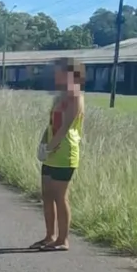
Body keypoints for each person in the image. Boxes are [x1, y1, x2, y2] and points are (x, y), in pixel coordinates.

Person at [31, 57, 85, 252]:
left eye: (59, 71)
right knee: (47, 195)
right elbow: (51, 125)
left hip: (65, 153)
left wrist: (51, 147)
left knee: (60, 197)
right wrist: (43, 144)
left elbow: (65, 128)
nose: (55, 74)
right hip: (51, 152)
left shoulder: (75, 96)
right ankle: (49, 236)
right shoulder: (60, 96)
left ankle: (63, 240)